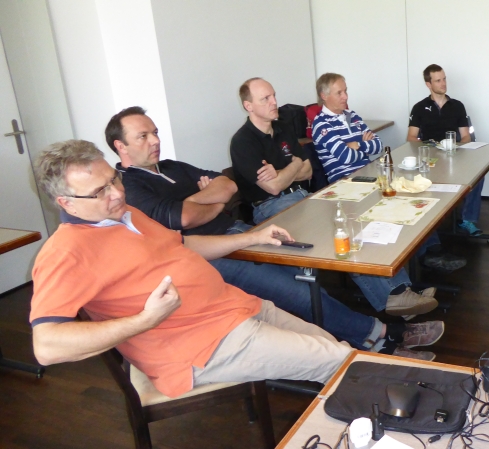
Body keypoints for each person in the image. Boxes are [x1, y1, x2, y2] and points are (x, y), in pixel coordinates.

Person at [107, 106, 443, 360]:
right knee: (298, 291)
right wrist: (207, 201)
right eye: (143, 136)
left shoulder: (172, 167)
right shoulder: (130, 186)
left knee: (309, 270)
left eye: (154, 132)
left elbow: (228, 185)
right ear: (120, 146)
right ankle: (380, 335)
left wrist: (204, 201)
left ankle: (372, 320)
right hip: (207, 255)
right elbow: (181, 218)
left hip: (243, 232)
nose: (155, 140)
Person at [29, 140, 352, 398]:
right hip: (200, 345)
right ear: (66, 202)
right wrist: (145, 320)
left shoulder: (125, 215)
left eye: (113, 179)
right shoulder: (66, 252)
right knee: (342, 363)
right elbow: (47, 346)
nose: (117, 193)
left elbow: (183, 245)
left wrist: (253, 238)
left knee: (343, 352)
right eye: (100, 191)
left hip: (235, 308)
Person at [229, 78, 446, 320]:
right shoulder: (243, 142)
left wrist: (285, 171)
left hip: (305, 197)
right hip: (273, 207)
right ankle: (393, 296)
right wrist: (294, 165)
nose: (274, 102)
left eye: (273, 95)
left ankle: (401, 289)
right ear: (248, 106)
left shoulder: (282, 129)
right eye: (265, 99)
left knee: (355, 224)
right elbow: (273, 187)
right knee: (343, 232)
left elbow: (308, 171)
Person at [312, 73, 467, 272]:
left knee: (412, 198)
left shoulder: (353, 116)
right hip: (345, 183)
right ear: (324, 96)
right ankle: (424, 255)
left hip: (368, 175)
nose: (345, 96)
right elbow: (345, 157)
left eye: (346, 91)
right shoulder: (321, 124)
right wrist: (362, 144)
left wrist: (356, 145)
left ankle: (431, 250)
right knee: (395, 204)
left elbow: (378, 145)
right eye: (339, 93)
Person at [407, 64, 483, 237]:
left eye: (444, 79)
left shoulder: (457, 106)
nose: (443, 83)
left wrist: (455, 147)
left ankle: (468, 220)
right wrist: (428, 147)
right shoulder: (419, 108)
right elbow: (411, 137)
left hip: (454, 155)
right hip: (429, 158)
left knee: (479, 175)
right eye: (438, 80)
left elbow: (466, 136)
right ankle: (426, 221)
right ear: (428, 84)